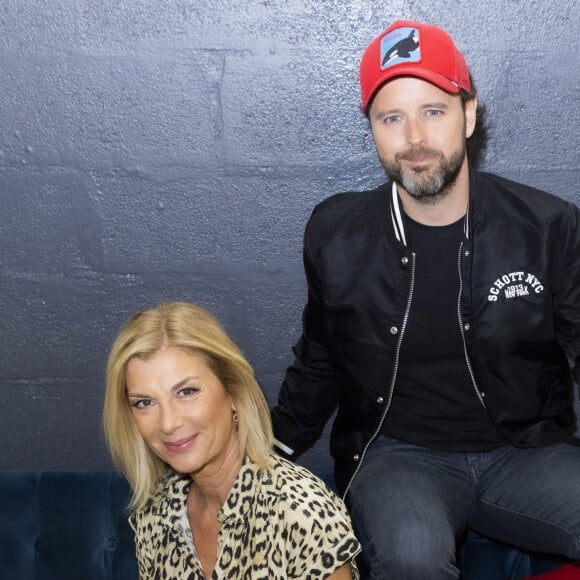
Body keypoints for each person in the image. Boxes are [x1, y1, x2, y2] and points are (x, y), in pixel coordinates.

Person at [271, 19, 580, 580]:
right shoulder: (336, 234)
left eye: (433, 111)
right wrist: (273, 454)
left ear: (468, 115)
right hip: (398, 456)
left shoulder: (546, 225)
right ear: (373, 130)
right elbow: (319, 358)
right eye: (392, 118)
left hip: (525, 451)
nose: (414, 136)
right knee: (413, 559)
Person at [103, 301, 360, 580]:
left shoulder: (301, 512)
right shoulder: (155, 514)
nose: (168, 423)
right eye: (144, 402)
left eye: (187, 391)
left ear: (234, 394)